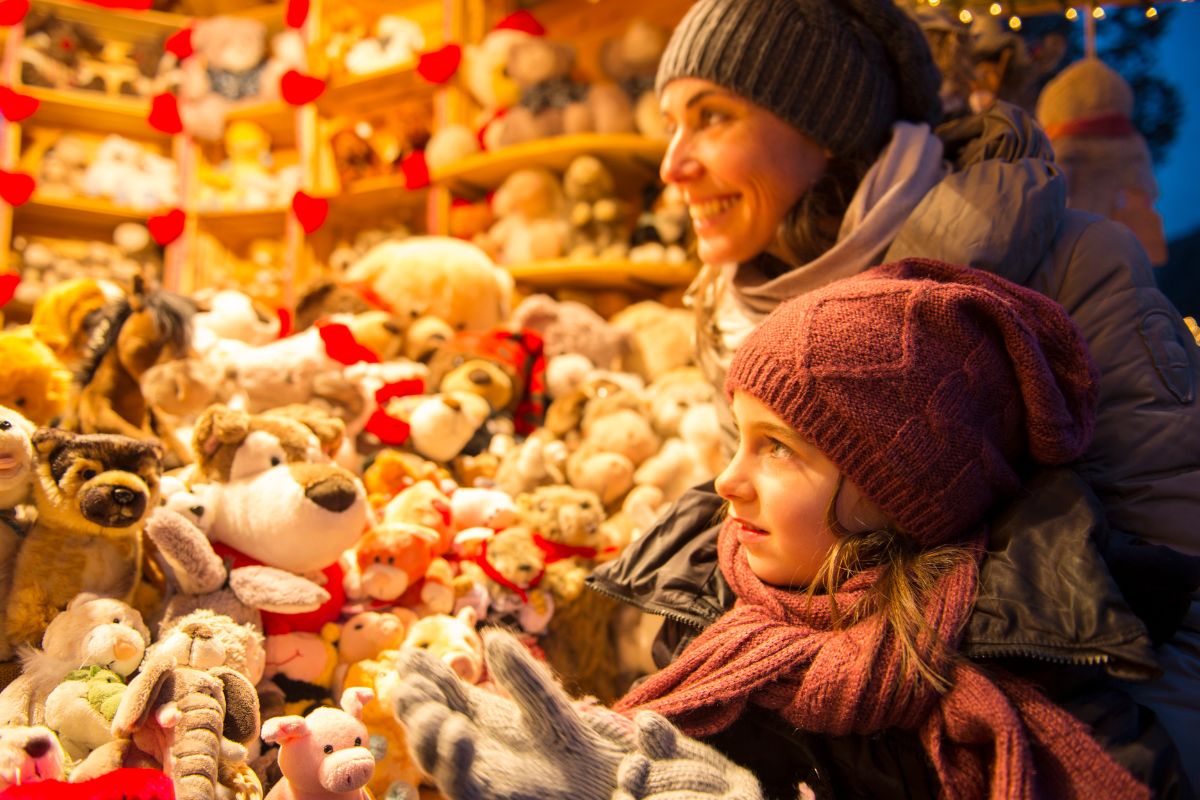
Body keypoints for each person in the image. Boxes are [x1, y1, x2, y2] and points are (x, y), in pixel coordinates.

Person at [638, 0, 1200, 775]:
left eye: (711, 116)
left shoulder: (1064, 266)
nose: (671, 164)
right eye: (668, 122)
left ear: (826, 131)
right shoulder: (729, 307)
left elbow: (1180, 598)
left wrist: (1126, 773)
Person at [388, 260, 1188, 799]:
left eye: (777, 448)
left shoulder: (1029, 694)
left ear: (896, 490)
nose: (728, 480)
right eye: (737, 437)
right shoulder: (711, 630)